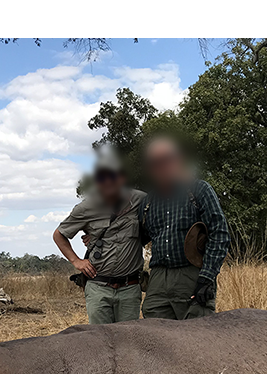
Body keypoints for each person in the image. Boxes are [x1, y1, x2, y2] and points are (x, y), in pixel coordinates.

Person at [140, 137, 230, 319]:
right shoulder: (147, 201)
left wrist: (207, 277)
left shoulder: (199, 190)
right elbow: (138, 238)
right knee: (155, 338)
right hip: (158, 279)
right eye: (155, 163)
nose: (161, 167)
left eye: (166, 159)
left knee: (196, 338)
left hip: (191, 274)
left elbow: (219, 234)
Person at [53, 148, 146, 324]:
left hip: (130, 288)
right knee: (101, 342)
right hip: (99, 287)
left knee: (127, 342)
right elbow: (59, 235)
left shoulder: (141, 200)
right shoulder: (86, 208)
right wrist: (76, 261)